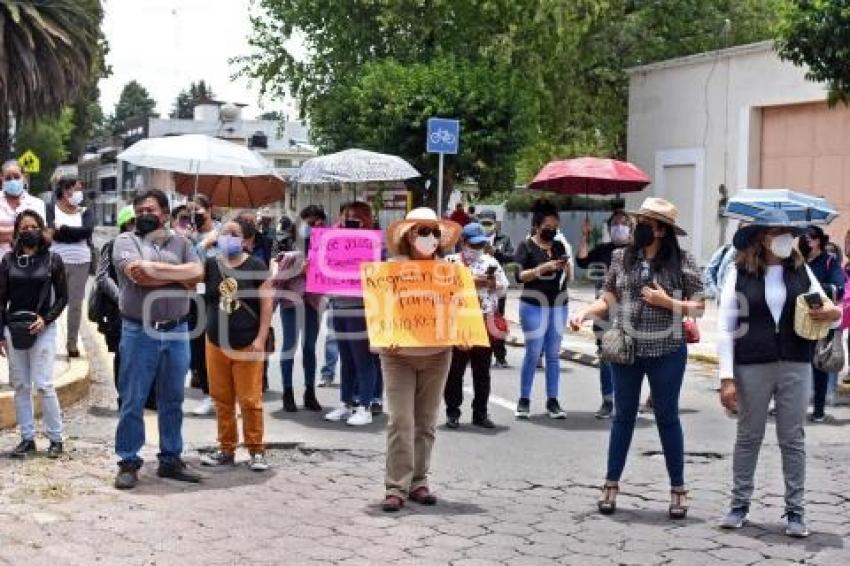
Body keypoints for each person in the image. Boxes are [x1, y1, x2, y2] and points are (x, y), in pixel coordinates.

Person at [570, 197, 705, 519]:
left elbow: (698, 307)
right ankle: (610, 484)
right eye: (637, 221)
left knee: (667, 417)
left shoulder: (682, 261)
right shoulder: (621, 257)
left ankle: (678, 489)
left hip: (667, 350)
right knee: (622, 417)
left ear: (661, 230)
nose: (636, 227)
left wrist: (666, 301)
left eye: (644, 222)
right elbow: (609, 297)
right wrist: (586, 312)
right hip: (626, 349)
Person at [716, 209, 841, 538]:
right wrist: (726, 377)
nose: (785, 237)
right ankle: (739, 505)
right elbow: (725, 326)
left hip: (796, 362)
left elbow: (827, 309)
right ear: (762, 237)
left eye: (788, 231)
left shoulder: (801, 271)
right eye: (777, 231)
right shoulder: (738, 272)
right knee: (748, 437)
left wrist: (833, 311)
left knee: (793, 439)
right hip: (751, 364)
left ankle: (796, 511)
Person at [112, 189, 204, 490]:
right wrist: (179, 275)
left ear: (165, 214)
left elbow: (198, 272)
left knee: (173, 399)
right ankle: (128, 461)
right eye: (138, 210)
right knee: (133, 399)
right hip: (140, 330)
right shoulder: (126, 241)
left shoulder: (184, 242)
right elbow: (138, 274)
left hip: (177, 330)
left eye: (149, 209)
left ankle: (170, 459)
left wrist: (158, 271)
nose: (142, 215)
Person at [379, 207, 462, 512]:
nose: (429, 237)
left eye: (434, 232)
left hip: (438, 354)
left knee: (426, 422)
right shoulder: (390, 269)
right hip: (398, 354)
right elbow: (378, 309)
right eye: (422, 231)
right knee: (401, 419)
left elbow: (461, 309)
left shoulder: (451, 271)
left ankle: (419, 482)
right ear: (409, 235)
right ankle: (396, 486)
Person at [200, 218, 273, 471]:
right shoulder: (210, 264)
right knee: (221, 399)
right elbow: (196, 286)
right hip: (215, 342)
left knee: (250, 399)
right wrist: (203, 244)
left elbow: (266, 304)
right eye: (224, 232)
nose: (227, 237)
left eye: (234, 233)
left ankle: (256, 450)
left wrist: (261, 338)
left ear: (245, 240)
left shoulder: (256, 265)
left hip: (247, 344)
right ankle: (226, 448)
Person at [0, 210, 68, 458]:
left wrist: (46, 320)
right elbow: (1, 299)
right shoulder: (8, 261)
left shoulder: (53, 260)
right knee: (20, 385)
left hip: (44, 329)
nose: (29, 231)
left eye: (33, 226)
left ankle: (56, 439)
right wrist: (1, 333)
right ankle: (27, 438)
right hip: (14, 330)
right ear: (17, 232)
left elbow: (63, 298)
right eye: (24, 228)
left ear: (42, 229)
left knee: (44, 384)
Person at [444, 223, 509, 428]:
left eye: (481, 244)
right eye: (474, 244)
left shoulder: (491, 262)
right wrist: (471, 282)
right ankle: (452, 411)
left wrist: (492, 284)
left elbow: (503, 289)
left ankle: (480, 413)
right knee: (455, 370)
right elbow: (442, 289)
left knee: (482, 371)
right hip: (459, 322)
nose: (477, 248)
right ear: (463, 242)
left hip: (484, 320)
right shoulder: (450, 262)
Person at [324, 201, 382, 425]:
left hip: (361, 307)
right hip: (338, 304)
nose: (350, 219)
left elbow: (380, 273)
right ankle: (346, 403)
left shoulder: (375, 243)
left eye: (356, 216)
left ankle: (365, 406)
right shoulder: (334, 239)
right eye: (347, 215)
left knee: (363, 359)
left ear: (366, 218)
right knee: (346, 358)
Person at [94, 205, 157, 409]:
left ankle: (148, 396)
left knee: (149, 353)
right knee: (125, 355)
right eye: (132, 222)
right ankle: (125, 396)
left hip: (148, 310)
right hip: (120, 310)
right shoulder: (112, 245)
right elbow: (102, 277)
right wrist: (121, 297)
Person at [513, 200, 571, 419]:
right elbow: (519, 276)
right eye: (548, 226)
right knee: (534, 351)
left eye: (555, 227)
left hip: (559, 304)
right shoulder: (525, 246)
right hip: (533, 305)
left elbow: (567, 277)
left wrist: (565, 266)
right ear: (537, 226)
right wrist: (542, 268)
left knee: (554, 354)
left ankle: (553, 400)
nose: (552, 231)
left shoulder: (559, 246)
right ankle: (524, 399)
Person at [576, 210, 632, 419]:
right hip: (604, 308)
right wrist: (585, 235)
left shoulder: (637, 251)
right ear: (609, 229)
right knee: (606, 355)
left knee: (629, 356)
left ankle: (626, 400)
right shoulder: (603, 250)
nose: (619, 227)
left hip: (630, 311)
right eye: (615, 224)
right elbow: (582, 261)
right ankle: (608, 400)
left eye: (624, 223)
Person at [272, 208, 323, 413]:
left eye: (319, 224)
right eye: (310, 223)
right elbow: (276, 278)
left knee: (310, 347)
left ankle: (309, 391)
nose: (313, 228)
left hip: (313, 303)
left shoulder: (326, 245)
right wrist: (298, 269)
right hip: (290, 303)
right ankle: (287, 392)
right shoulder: (284, 241)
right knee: (289, 346)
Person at [799, 225, 845, 422]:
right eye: (804, 237)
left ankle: (818, 410)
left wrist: (814, 288)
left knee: (819, 364)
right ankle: (790, 406)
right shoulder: (798, 260)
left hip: (820, 318)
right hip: (799, 319)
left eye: (810, 237)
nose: (806, 241)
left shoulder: (829, 261)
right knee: (794, 364)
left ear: (819, 240)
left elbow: (839, 288)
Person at [44, 175, 94, 358]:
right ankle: (46, 341)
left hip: (81, 261)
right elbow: (52, 233)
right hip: (56, 262)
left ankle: (71, 344)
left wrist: (62, 229)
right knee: (50, 301)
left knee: (75, 305)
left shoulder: (85, 211)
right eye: (76, 188)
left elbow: (86, 231)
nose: (79, 193)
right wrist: (68, 233)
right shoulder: (51, 208)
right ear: (65, 190)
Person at [186, 194, 219, 416]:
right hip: (194, 298)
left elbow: (225, 261)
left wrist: (204, 244)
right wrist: (195, 242)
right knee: (198, 348)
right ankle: (209, 395)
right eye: (189, 210)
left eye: (197, 209)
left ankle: (224, 396)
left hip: (218, 297)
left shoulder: (224, 231)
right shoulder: (186, 236)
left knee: (220, 347)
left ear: (209, 209)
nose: (194, 214)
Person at [479, 210, 513, 368]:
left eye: (489, 223)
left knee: (497, 321)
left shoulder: (504, 239)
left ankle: (500, 356)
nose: (486, 227)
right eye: (483, 223)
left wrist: (496, 252)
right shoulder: (474, 239)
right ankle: (478, 353)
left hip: (497, 287)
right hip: (478, 287)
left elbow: (511, 257)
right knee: (478, 321)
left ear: (495, 224)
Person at [0, 160, 45, 256]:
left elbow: (41, 234)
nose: (12, 181)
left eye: (16, 177)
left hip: (30, 265)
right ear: (1, 178)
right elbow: (33, 233)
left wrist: (4, 232)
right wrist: (26, 231)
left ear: (24, 177)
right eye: (8, 178)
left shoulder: (37, 203)